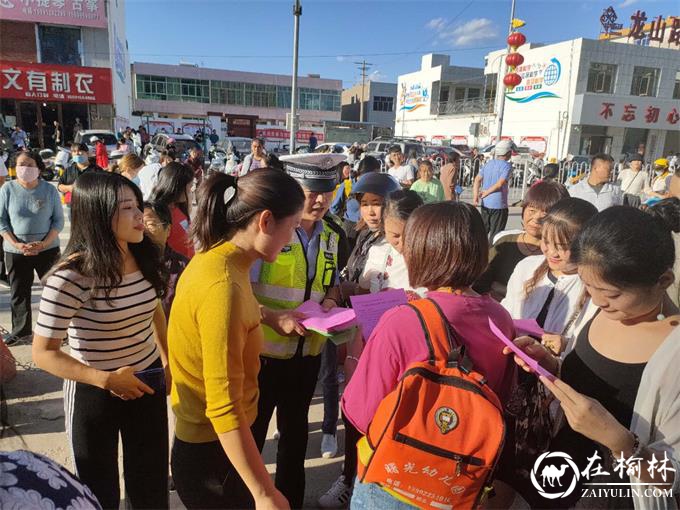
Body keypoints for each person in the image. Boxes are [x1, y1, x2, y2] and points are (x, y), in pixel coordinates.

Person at [343, 202, 517, 508]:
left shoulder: (403, 320)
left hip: (394, 482)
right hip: (458, 483)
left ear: (423, 251)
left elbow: (360, 412)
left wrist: (355, 358)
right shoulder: (500, 318)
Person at [505, 206, 680, 509]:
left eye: (611, 294)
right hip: (559, 477)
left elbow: (671, 475)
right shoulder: (603, 313)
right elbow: (591, 383)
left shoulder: (673, 352)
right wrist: (550, 365)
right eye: (588, 286)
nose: (598, 301)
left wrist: (621, 442)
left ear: (663, 281)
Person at [32, 172, 170, 509]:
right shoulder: (70, 278)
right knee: (97, 490)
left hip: (147, 381)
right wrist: (105, 380)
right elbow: (43, 353)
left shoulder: (146, 257)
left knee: (151, 483)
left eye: (138, 205)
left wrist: (166, 361)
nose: (141, 215)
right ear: (98, 214)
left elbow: (154, 310)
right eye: (127, 208)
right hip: (94, 390)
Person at [168, 170, 304, 509]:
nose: (293, 238)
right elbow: (224, 407)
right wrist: (264, 492)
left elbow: (237, 318)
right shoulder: (222, 286)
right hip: (213, 458)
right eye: (293, 226)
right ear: (266, 221)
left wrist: (270, 317)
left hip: (216, 451)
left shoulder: (222, 261)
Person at [250, 154, 348, 509]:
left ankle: (289, 502)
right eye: (311, 192)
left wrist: (333, 301)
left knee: (294, 440)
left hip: (306, 357)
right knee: (251, 438)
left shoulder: (334, 234)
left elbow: (332, 282)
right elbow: (237, 293)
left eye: (328, 191)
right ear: (294, 190)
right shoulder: (268, 228)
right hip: (262, 357)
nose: (320, 200)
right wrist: (274, 318)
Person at [501, 197, 598, 336]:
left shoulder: (594, 288)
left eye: (562, 247)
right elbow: (507, 311)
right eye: (546, 241)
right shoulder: (526, 267)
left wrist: (563, 345)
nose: (552, 252)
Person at [0, 151, 63, 344]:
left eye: (29, 164)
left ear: (38, 168)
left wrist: (43, 243)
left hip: (48, 249)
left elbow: (58, 221)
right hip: (16, 250)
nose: (24, 168)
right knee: (19, 292)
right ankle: (21, 331)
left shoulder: (49, 190)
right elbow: (2, 221)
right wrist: (16, 243)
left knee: (56, 290)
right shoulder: (7, 189)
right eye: (20, 164)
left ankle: (60, 331)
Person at [474, 181, 570, 301]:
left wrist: (502, 290)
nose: (536, 218)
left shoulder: (558, 256)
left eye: (545, 213)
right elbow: (480, 285)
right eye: (532, 210)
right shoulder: (505, 243)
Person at [360, 189, 424, 295]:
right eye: (396, 236)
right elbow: (363, 290)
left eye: (410, 235)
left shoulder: (434, 258)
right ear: (384, 227)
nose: (403, 243)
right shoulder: (378, 252)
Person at [143, 201, 188, 317]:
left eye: (150, 224)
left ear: (168, 230)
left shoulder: (182, 267)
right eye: (140, 224)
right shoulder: (128, 266)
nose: (144, 231)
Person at [330, 156, 381, 250]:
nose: (376, 178)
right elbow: (334, 209)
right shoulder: (346, 186)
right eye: (375, 174)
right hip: (350, 229)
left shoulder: (374, 187)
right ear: (365, 173)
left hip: (368, 228)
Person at [149, 161, 195, 259]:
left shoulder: (178, 207)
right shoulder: (157, 214)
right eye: (189, 187)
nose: (191, 191)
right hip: (174, 268)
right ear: (177, 187)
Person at [473, 140, 514, 240]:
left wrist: (475, 197)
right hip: (499, 205)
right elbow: (500, 183)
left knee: (483, 231)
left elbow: (477, 179)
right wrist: (486, 192)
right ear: (508, 153)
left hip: (485, 203)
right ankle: (491, 254)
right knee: (496, 235)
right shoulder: (507, 166)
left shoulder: (488, 164)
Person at [57, 142, 102, 213]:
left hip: (91, 206)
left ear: (87, 153)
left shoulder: (97, 170)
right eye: (74, 151)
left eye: (80, 151)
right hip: (72, 205)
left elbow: (102, 188)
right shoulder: (68, 170)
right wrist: (69, 188)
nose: (77, 153)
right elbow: (60, 186)